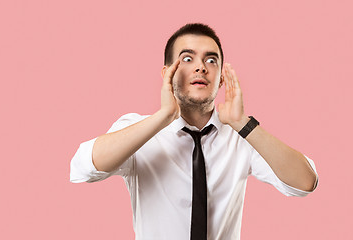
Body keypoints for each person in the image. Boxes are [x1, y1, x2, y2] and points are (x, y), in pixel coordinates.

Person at [70, 23, 318, 240]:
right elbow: (85, 166)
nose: (201, 67)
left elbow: (305, 182)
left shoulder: (240, 137)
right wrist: (162, 117)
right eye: (187, 59)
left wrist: (243, 124)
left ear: (221, 78)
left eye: (211, 60)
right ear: (168, 72)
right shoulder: (140, 130)